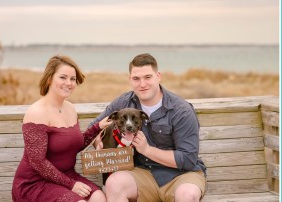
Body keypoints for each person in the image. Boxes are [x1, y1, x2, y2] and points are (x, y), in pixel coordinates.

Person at [91, 53, 207, 202]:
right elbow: (94, 127)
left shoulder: (181, 110)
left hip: (181, 176)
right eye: (136, 79)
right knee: (113, 184)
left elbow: (188, 159)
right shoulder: (124, 103)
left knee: (188, 195)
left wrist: (147, 150)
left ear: (158, 76)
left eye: (148, 77)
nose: (142, 84)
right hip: (142, 174)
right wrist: (98, 143)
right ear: (130, 80)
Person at [12, 55, 111, 202]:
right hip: (34, 183)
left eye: (72, 79)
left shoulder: (70, 108)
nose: (69, 83)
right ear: (50, 78)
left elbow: (73, 145)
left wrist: (97, 127)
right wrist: (71, 185)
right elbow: (37, 161)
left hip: (66, 175)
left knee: (99, 198)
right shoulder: (37, 112)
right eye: (63, 77)